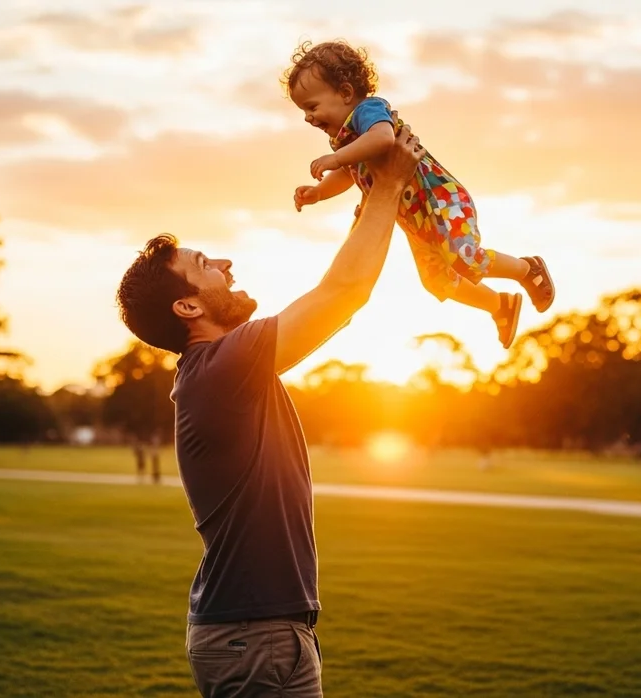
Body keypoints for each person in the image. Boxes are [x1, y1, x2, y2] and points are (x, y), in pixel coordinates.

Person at [114, 125, 426, 697]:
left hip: (267, 631)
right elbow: (342, 293)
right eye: (204, 263)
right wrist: (389, 188)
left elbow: (341, 295)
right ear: (187, 305)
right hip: (250, 638)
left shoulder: (227, 373)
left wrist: (373, 196)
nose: (226, 263)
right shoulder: (221, 369)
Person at [286, 40, 556, 349]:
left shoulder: (369, 111)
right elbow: (349, 174)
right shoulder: (348, 140)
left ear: (346, 93)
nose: (308, 117)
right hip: (416, 220)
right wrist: (319, 192)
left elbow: (384, 139)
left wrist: (336, 158)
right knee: (436, 281)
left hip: (440, 200)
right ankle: (500, 306)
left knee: (465, 258)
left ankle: (527, 268)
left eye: (312, 106)